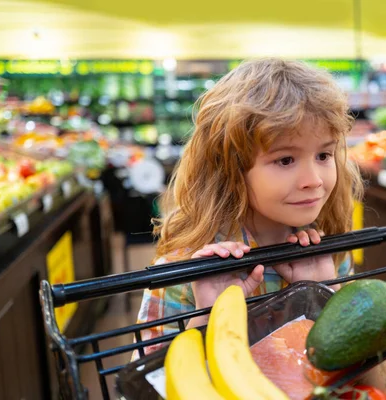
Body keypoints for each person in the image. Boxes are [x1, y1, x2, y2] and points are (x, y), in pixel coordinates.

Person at [135, 58, 364, 355]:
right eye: (285, 160)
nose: (314, 180)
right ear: (230, 168)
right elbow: (148, 383)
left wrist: (323, 295)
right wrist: (206, 317)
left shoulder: (328, 253)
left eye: (324, 155)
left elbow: (353, 366)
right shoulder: (186, 270)